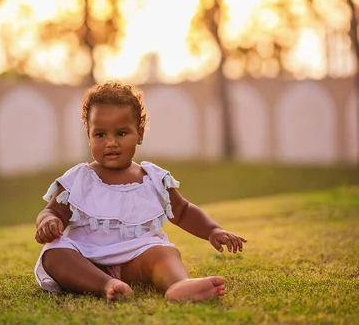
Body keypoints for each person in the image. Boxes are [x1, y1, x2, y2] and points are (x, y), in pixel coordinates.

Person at [34, 82, 247, 302]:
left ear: (140, 134)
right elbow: (52, 211)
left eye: (121, 133)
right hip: (86, 259)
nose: (111, 143)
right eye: (100, 135)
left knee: (164, 253)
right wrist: (47, 221)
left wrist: (212, 230)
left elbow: (182, 211)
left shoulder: (153, 179)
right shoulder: (78, 179)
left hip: (136, 259)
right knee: (54, 254)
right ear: (88, 136)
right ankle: (106, 284)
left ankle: (178, 285)